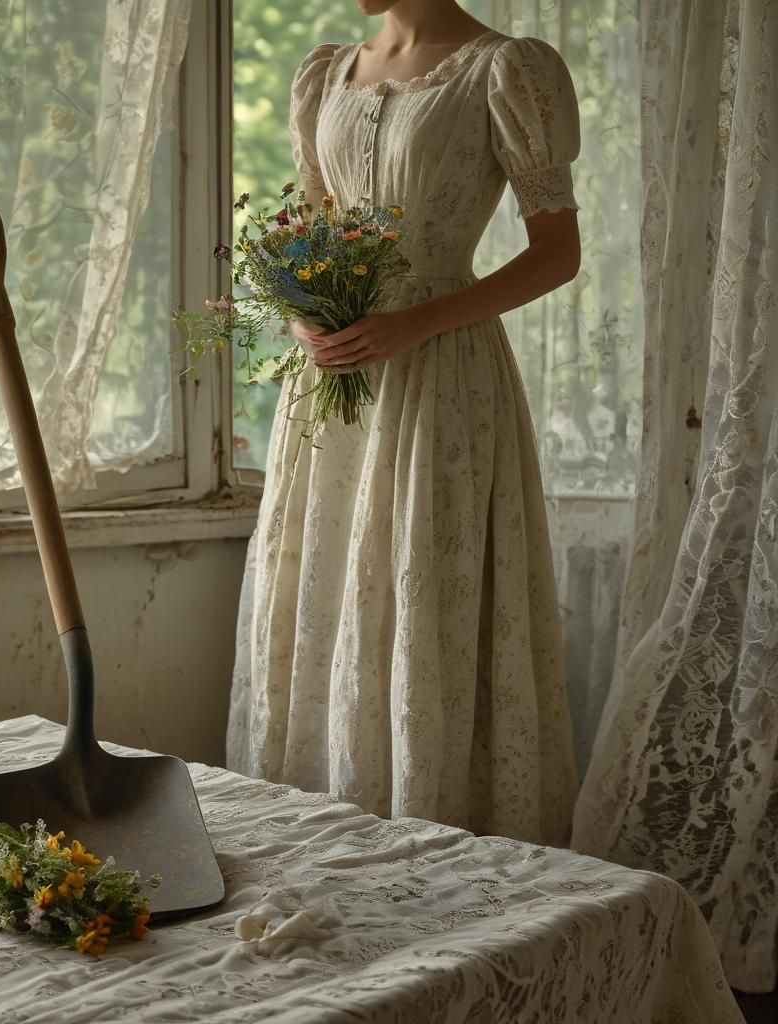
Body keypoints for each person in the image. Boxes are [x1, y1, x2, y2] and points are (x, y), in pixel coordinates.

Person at [227, 0, 582, 846]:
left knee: (425, 581)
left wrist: (419, 321)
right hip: (333, 383)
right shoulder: (325, 73)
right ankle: (318, 834)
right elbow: (313, 232)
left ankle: (437, 839)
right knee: (327, 584)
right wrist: (300, 314)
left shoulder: (507, 69)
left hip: (442, 376)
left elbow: (557, 252)